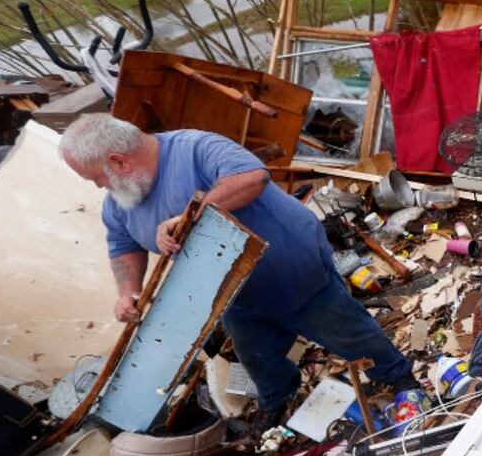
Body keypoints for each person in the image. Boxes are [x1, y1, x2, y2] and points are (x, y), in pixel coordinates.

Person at [59, 114, 417, 429]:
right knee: (256, 355)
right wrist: (128, 291)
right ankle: (277, 399)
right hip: (232, 291)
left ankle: (397, 376)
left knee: (344, 330)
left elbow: (252, 177)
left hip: (292, 269)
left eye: (96, 177)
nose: (98, 186)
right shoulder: (121, 200)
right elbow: (123, 246)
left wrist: (191, 216)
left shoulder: (194, 148)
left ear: (118, 161)